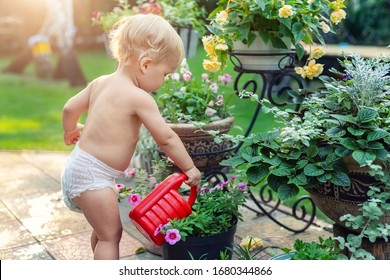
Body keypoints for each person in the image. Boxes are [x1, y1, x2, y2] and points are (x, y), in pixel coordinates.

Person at [61, 14, 201, 260]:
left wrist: (71, 129)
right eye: (165, 73)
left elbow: (69, 108)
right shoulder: (139, 98)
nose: (164, 80)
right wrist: (189, 167)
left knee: (102, 230)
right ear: (146, 65)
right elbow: (166, 138)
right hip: (93, 176)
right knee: (110, 235)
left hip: (81, 166)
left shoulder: (100, 83)